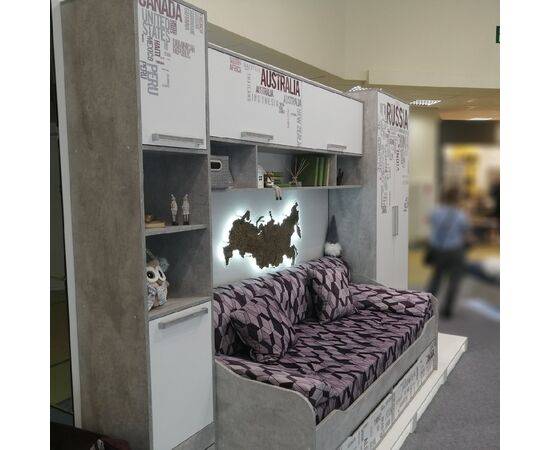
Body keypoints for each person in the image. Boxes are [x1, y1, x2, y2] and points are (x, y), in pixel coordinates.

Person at [426, 187, 470, 318]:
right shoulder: (461, 214)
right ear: (457, 199)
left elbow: (430, 222)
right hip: (455, 250)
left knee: (436, 278)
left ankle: (428, 306)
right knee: (454, 280)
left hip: (439, 250)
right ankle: (448, 309)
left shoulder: (436, 212)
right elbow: (466, 230)